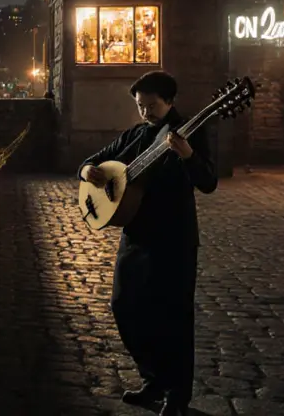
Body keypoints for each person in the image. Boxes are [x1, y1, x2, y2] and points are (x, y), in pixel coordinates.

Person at [78, 70, 217, 416]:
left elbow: (209, 181)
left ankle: (176, 395)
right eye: (140, 106)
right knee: (124, 307)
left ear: (170, 101)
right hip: (136, 236)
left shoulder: (192, 132)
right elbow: (90, 161)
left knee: (173, 319)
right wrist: (88, 173)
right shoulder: (138, 134)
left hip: (174, 240)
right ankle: (152, 379)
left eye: (151, 105)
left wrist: (187, 155)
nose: (145, 112)